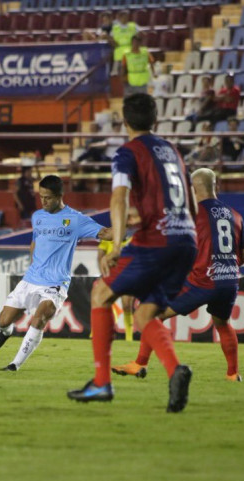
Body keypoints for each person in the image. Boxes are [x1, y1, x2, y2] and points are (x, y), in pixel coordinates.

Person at [67, 93, 197, 413]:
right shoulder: (172, 151)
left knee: (100, 293)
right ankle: (175, 370)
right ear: (156, 120)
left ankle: (101, 383)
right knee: (143, 315)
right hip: (187, 239)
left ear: (124, 122)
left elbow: (118, 199)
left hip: (157, 239)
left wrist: (118, 243)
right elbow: (191, 199)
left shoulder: (126, 153)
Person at [112, 168, 244, 382]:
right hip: (229, 280)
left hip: (202, 280)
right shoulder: (235, 215)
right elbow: (243, 257)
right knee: (222, 323)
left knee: (151, 314)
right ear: (215, 186)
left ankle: (139, 364)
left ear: (192, 189)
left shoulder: (190, 213)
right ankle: (233, 374)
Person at [0, 175, 112, 371]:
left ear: (59, 196)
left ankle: (14, 365)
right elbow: (35, 241)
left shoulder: (75, 219)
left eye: (48, 197)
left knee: (39, 319)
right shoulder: (38, 216)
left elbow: (105, 233)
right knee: (3, 321)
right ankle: (6, 333)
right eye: (41, 197)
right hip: (31, 279)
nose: (43, 201)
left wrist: (126, 229)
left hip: (55, 284)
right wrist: (33, 264)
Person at [96, 208, 140, 341]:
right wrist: (103, 271)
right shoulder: (108, 237)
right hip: (111, 274)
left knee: (127, 305)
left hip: (128, 275)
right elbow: (100, 255)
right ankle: (98, 333)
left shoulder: (133, 238)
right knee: (104, 303)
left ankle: (128, 336)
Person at [111, 10, 137, 75]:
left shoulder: (133, 26)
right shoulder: (115, 28)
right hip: (119, 53)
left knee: (131, 71)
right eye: (123, 17)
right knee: (117, 73)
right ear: (119, 18)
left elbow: (139, 36)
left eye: (126, 16)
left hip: (130, 52)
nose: (125, 18)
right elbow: (111, 39)